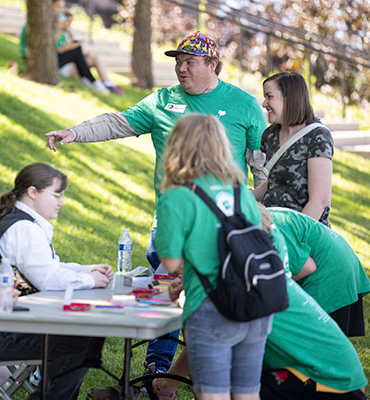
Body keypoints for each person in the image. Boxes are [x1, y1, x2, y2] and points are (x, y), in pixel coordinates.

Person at [45, 30, 268, 374]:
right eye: (178, 62)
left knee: (203, 298)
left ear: (212, 65)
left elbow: (261, 166)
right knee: (168, 293)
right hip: (171, 221)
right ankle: (159, 370)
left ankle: (191, 369)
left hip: (224, 227)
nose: (181, 69)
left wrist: (254, 209)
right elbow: (118, 122)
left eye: (189, 62)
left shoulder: (244, 105)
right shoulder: (162, 100)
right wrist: (76, 132)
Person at [152, 205, 368, 400]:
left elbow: (208, 379)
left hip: (332, 387)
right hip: (344, 381)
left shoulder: (228, 291)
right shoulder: (253, 276)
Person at [154, 114, 272, 400]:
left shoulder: (176, 196)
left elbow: (170, 263)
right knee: (247, 394)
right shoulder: (241, 192)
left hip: (210, 306)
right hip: (254, 303)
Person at [0, 162, 113, 400]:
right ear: (33, 192)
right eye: (57, 195)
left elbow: (51, 266)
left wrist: (89, 270)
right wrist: (89, 280)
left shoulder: (24, 224)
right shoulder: (23, 228)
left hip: (3, 326)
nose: (62, 202)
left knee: (84, 336)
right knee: (83, 341)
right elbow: (49, 279)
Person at [268, 206, 370, 337]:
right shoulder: (272, 215)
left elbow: (307, 267)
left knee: (313, 340)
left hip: (333, 273)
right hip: (343, 261)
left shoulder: (273, 229)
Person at [253, 71, 333, 227]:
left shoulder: (317, 136)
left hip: (303, 235)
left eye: (269, 97)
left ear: (289, 98)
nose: (264, 104)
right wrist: (241, 196)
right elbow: (275, 183)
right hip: (273, 227)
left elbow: (319, 201)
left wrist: (295, 238)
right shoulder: (270, 135)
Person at [19, 0, 110, 93]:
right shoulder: (41, 25)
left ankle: (90, 80)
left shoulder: (53, 25)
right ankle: (92, 81)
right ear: (49, 7)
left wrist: (66, 30)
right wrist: (59, 30)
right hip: (36, 59)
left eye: (62, 7)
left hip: (50, 59)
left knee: (78, 51)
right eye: (58, 7)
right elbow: (48, 49)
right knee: (77, 50)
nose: (61, 10)